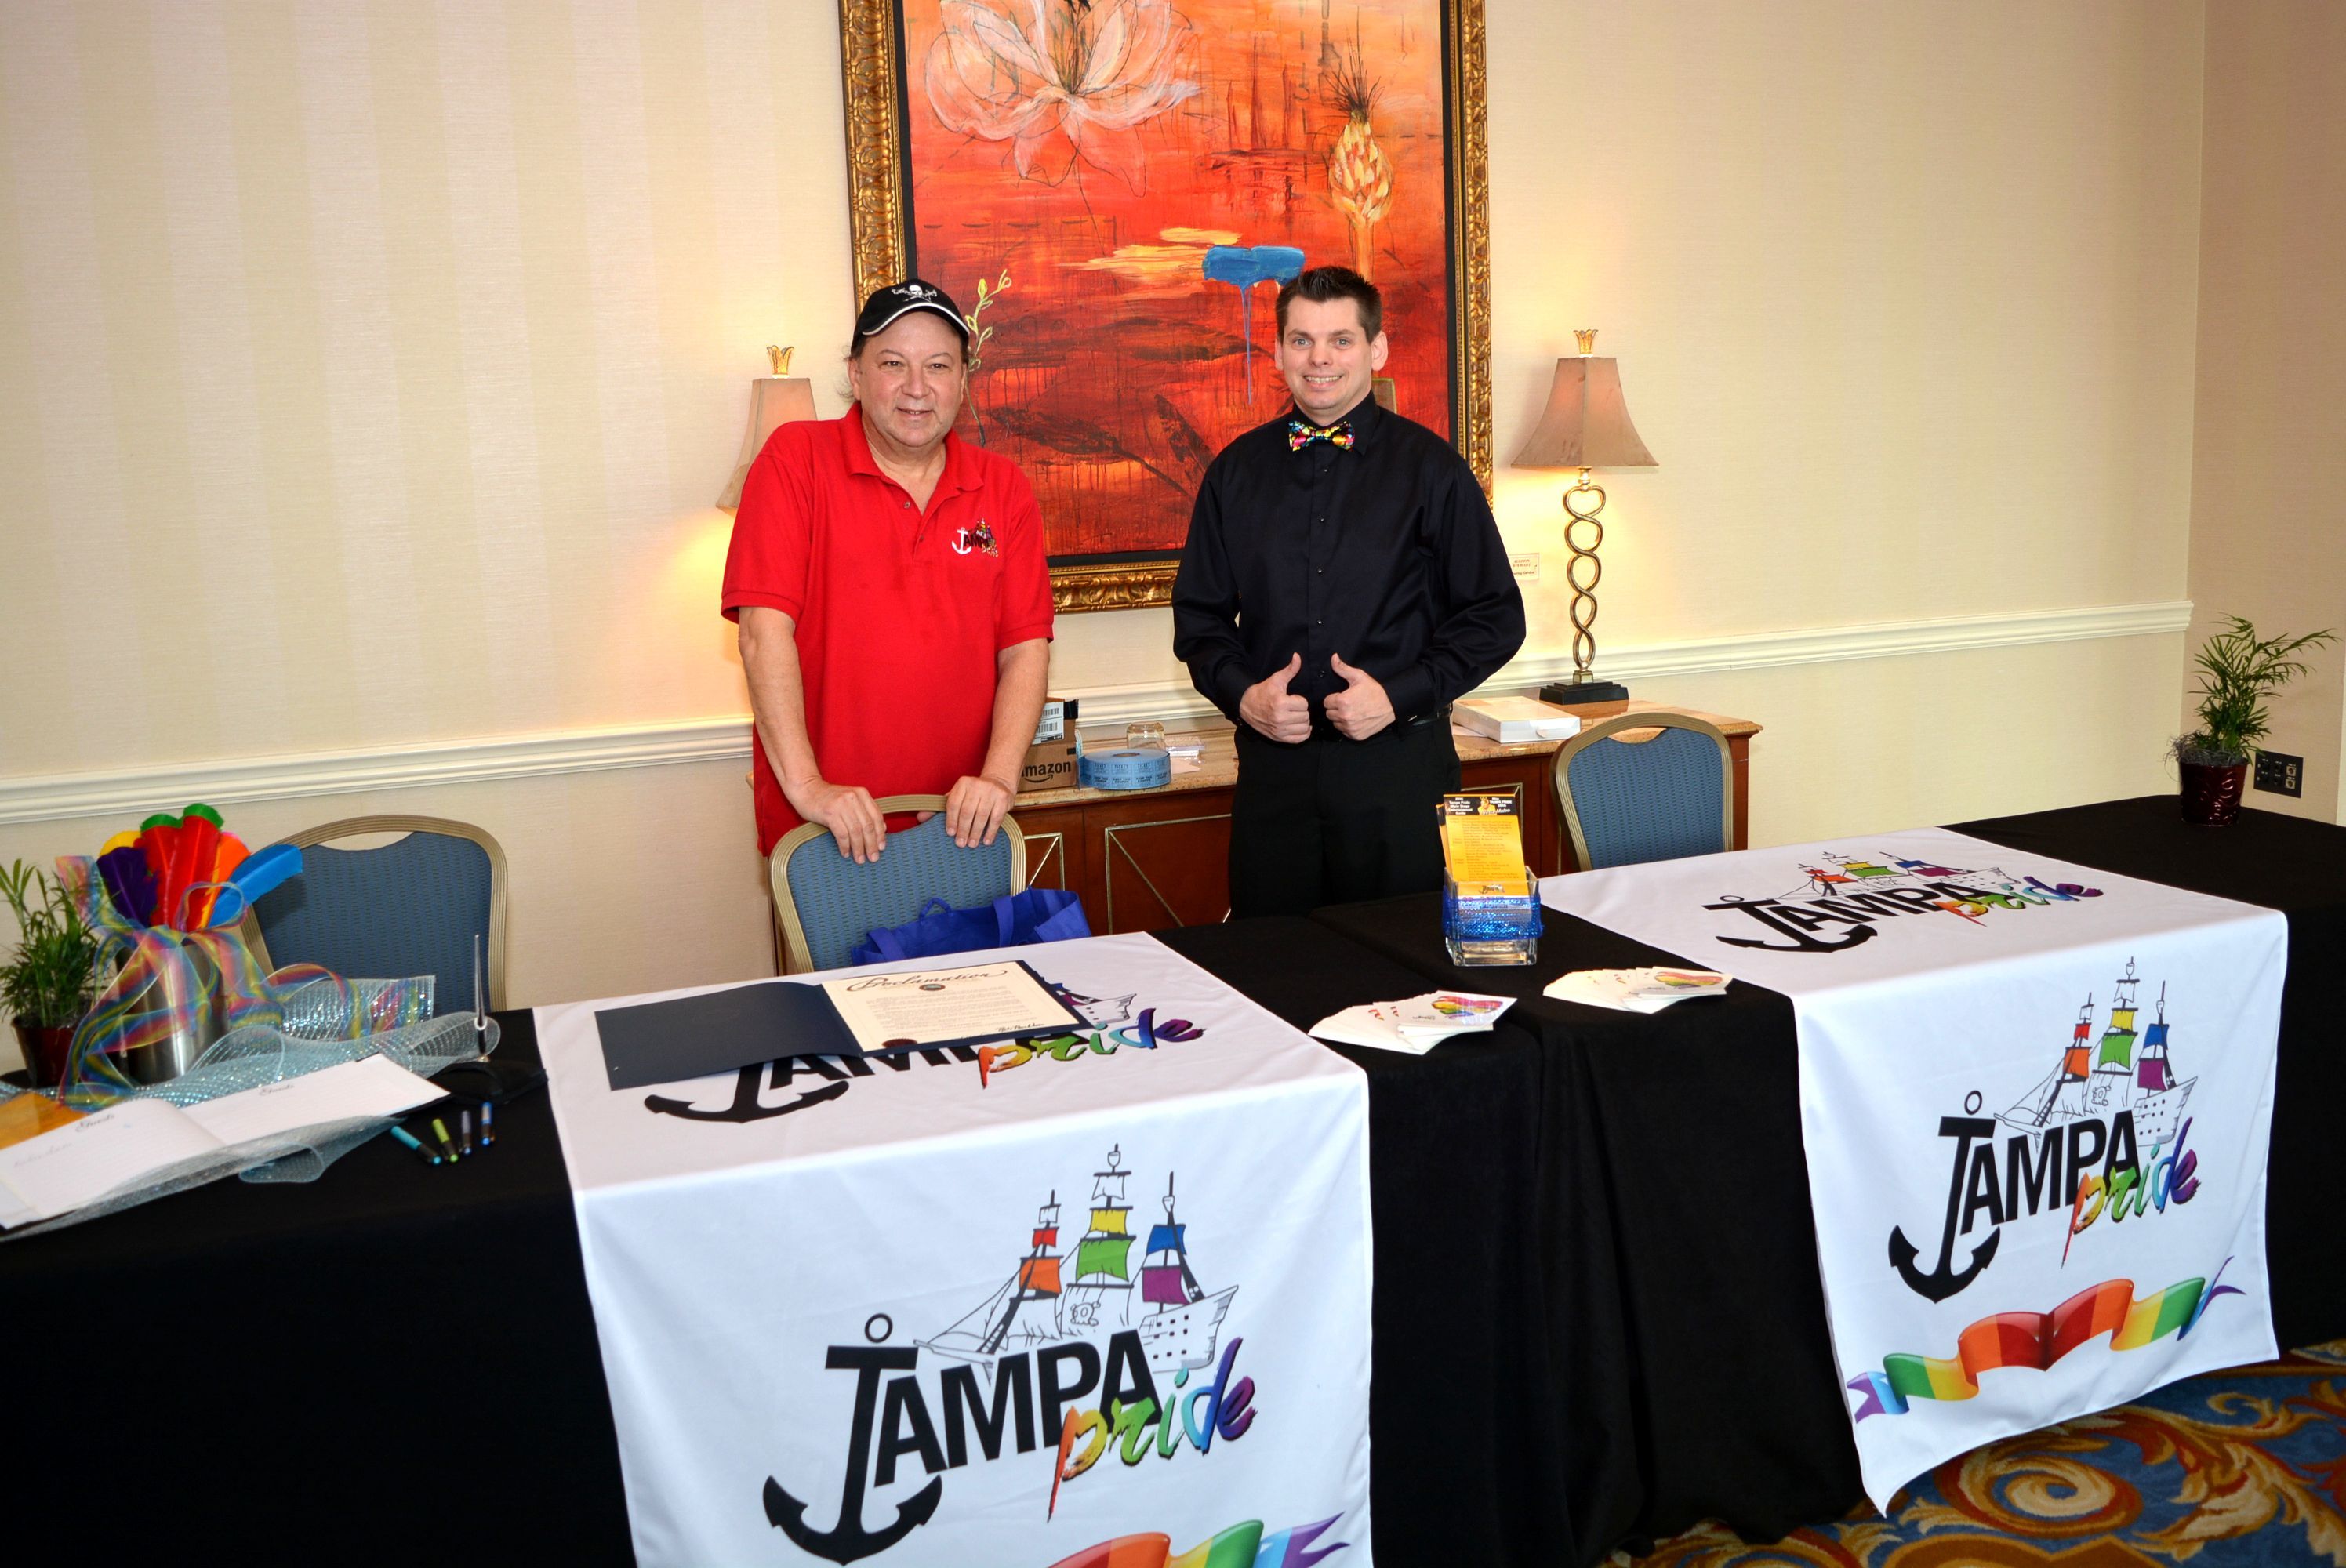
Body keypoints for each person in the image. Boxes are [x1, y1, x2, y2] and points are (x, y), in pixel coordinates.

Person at [1173, 265, 1525, 917]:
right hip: (1275, 779)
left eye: (1340, 340)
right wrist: (1244, 696)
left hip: (1399, 772)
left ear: (1376, 348)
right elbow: (1200, 620)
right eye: (1302, 340)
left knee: (1407, 962)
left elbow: (1495, 617)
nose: (1320, 359)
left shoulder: (1434, 470)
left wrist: (1397, 696)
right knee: (1272, 963)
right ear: (1278, 352)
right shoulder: (1233, 474)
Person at [723, 279, 1053, 865]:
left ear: (962, 381)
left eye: (939, 366)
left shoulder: (1004, 488)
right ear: (855, 374)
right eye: (893, 363)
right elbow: (761, 634)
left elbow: (1024, 649)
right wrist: (809, 788)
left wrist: (1000, 779)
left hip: (962, 826)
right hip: (827, 831)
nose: (917, 388)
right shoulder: (794, 461)